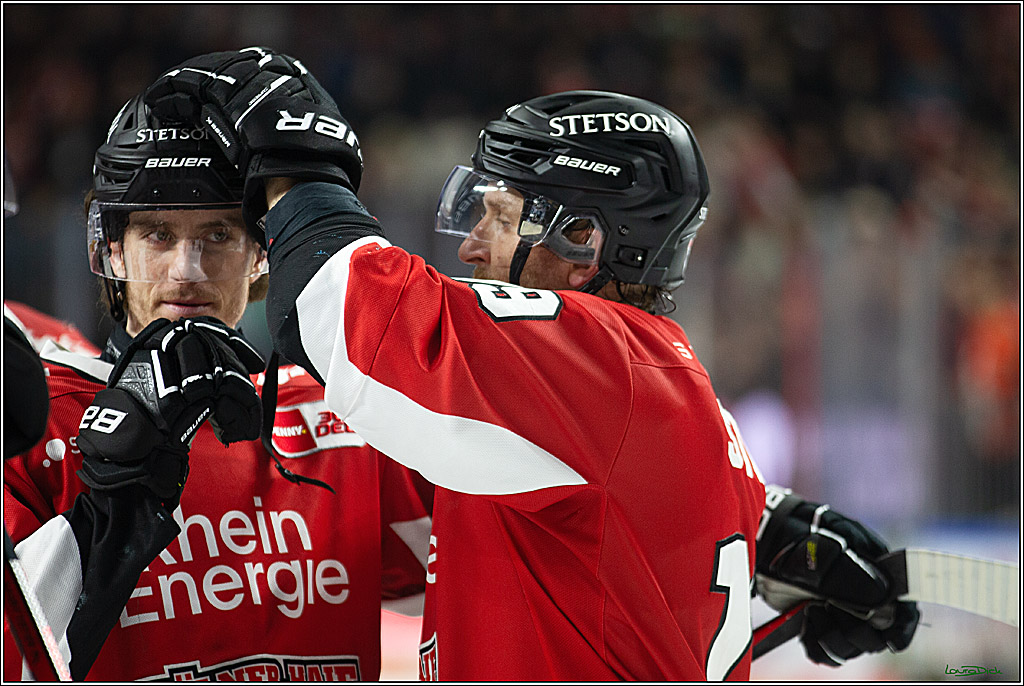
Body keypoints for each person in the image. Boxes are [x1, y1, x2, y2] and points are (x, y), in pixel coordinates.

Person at [145, 49, 918, 680]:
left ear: (581, 239)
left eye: (500, 215)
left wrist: (296, 167)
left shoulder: (597, 361)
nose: (473, 244)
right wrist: (781, 532)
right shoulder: (639, 388)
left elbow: (343, 316)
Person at [3, 90, 433, 681]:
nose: (188, 270)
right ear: (110, 248)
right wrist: (113, 506)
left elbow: (496, 582)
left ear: (261, 251)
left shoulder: (344, 413)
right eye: (157, 234)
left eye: (219, 236)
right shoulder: (34, 424)